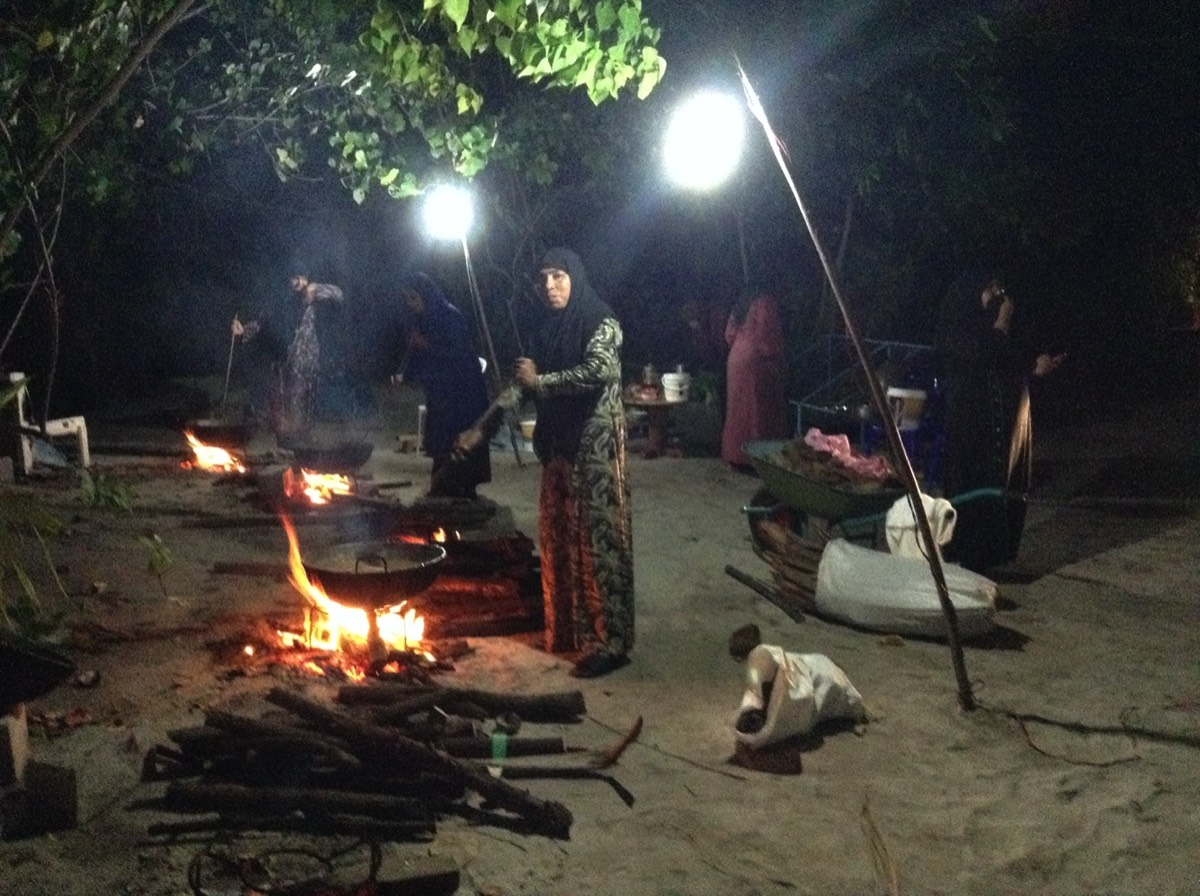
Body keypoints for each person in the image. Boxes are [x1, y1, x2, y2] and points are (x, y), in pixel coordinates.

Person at [454, 247, 634, 678]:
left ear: (575, 278)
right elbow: (521, 387)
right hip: (556, 447)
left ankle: (612, 642)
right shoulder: (546, 331)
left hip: (593, 448)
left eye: (559, 277)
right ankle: (566, 631)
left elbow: (599, 372)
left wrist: (543, 381)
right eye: (544, 279)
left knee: (599, 544)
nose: (551, 286)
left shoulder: (600, 320)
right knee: (555, 538)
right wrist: (482, 428)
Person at [934, 269, 1064, 570]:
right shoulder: (959, 323)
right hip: (972, 420)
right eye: (990, 289)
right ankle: (966, 551)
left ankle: (994, 550)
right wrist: (1003, 319)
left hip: (1003, 419)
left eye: (998, 288)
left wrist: (1035, 363)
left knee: (1002, 480)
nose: (996, 296)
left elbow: (1008, 355)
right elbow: (986, 351)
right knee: (972, 480)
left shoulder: (985, 322)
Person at [399, 271, 491, 499]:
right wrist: (405, 376)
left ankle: (463, 501)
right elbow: (419, 358)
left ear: (425, 295)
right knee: (441, 451)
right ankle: (441, 497)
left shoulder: (450, 317)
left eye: (414, 298)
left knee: (460, 448)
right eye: (408, 299)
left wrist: (425, 344)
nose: (411, 304)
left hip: (462, 395)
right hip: (441, 395)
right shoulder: (424, 320)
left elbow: (457, 356)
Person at [233, 274, 344, 444]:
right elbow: (262, 322)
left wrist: (316, 287)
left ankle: (303, 441)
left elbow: (338, 294)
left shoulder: (313, 295)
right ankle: (286, 441)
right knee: (283, 403)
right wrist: (243, 331)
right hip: (284, 361)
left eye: (299, 278)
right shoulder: (282, 300)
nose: (296, 282)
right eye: (292, 278)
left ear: (306, 278)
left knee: (306, 403)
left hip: (307, 360)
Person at [720, 283, 790, 469]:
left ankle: (735, 455)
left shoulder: (742, 302)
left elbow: (729, 333)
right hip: (755, 362)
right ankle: (755, 459)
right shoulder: (765, 302)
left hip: (736, 357)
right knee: (758, 412)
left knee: (737, 409)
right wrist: (778, 356)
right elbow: (766, 337)